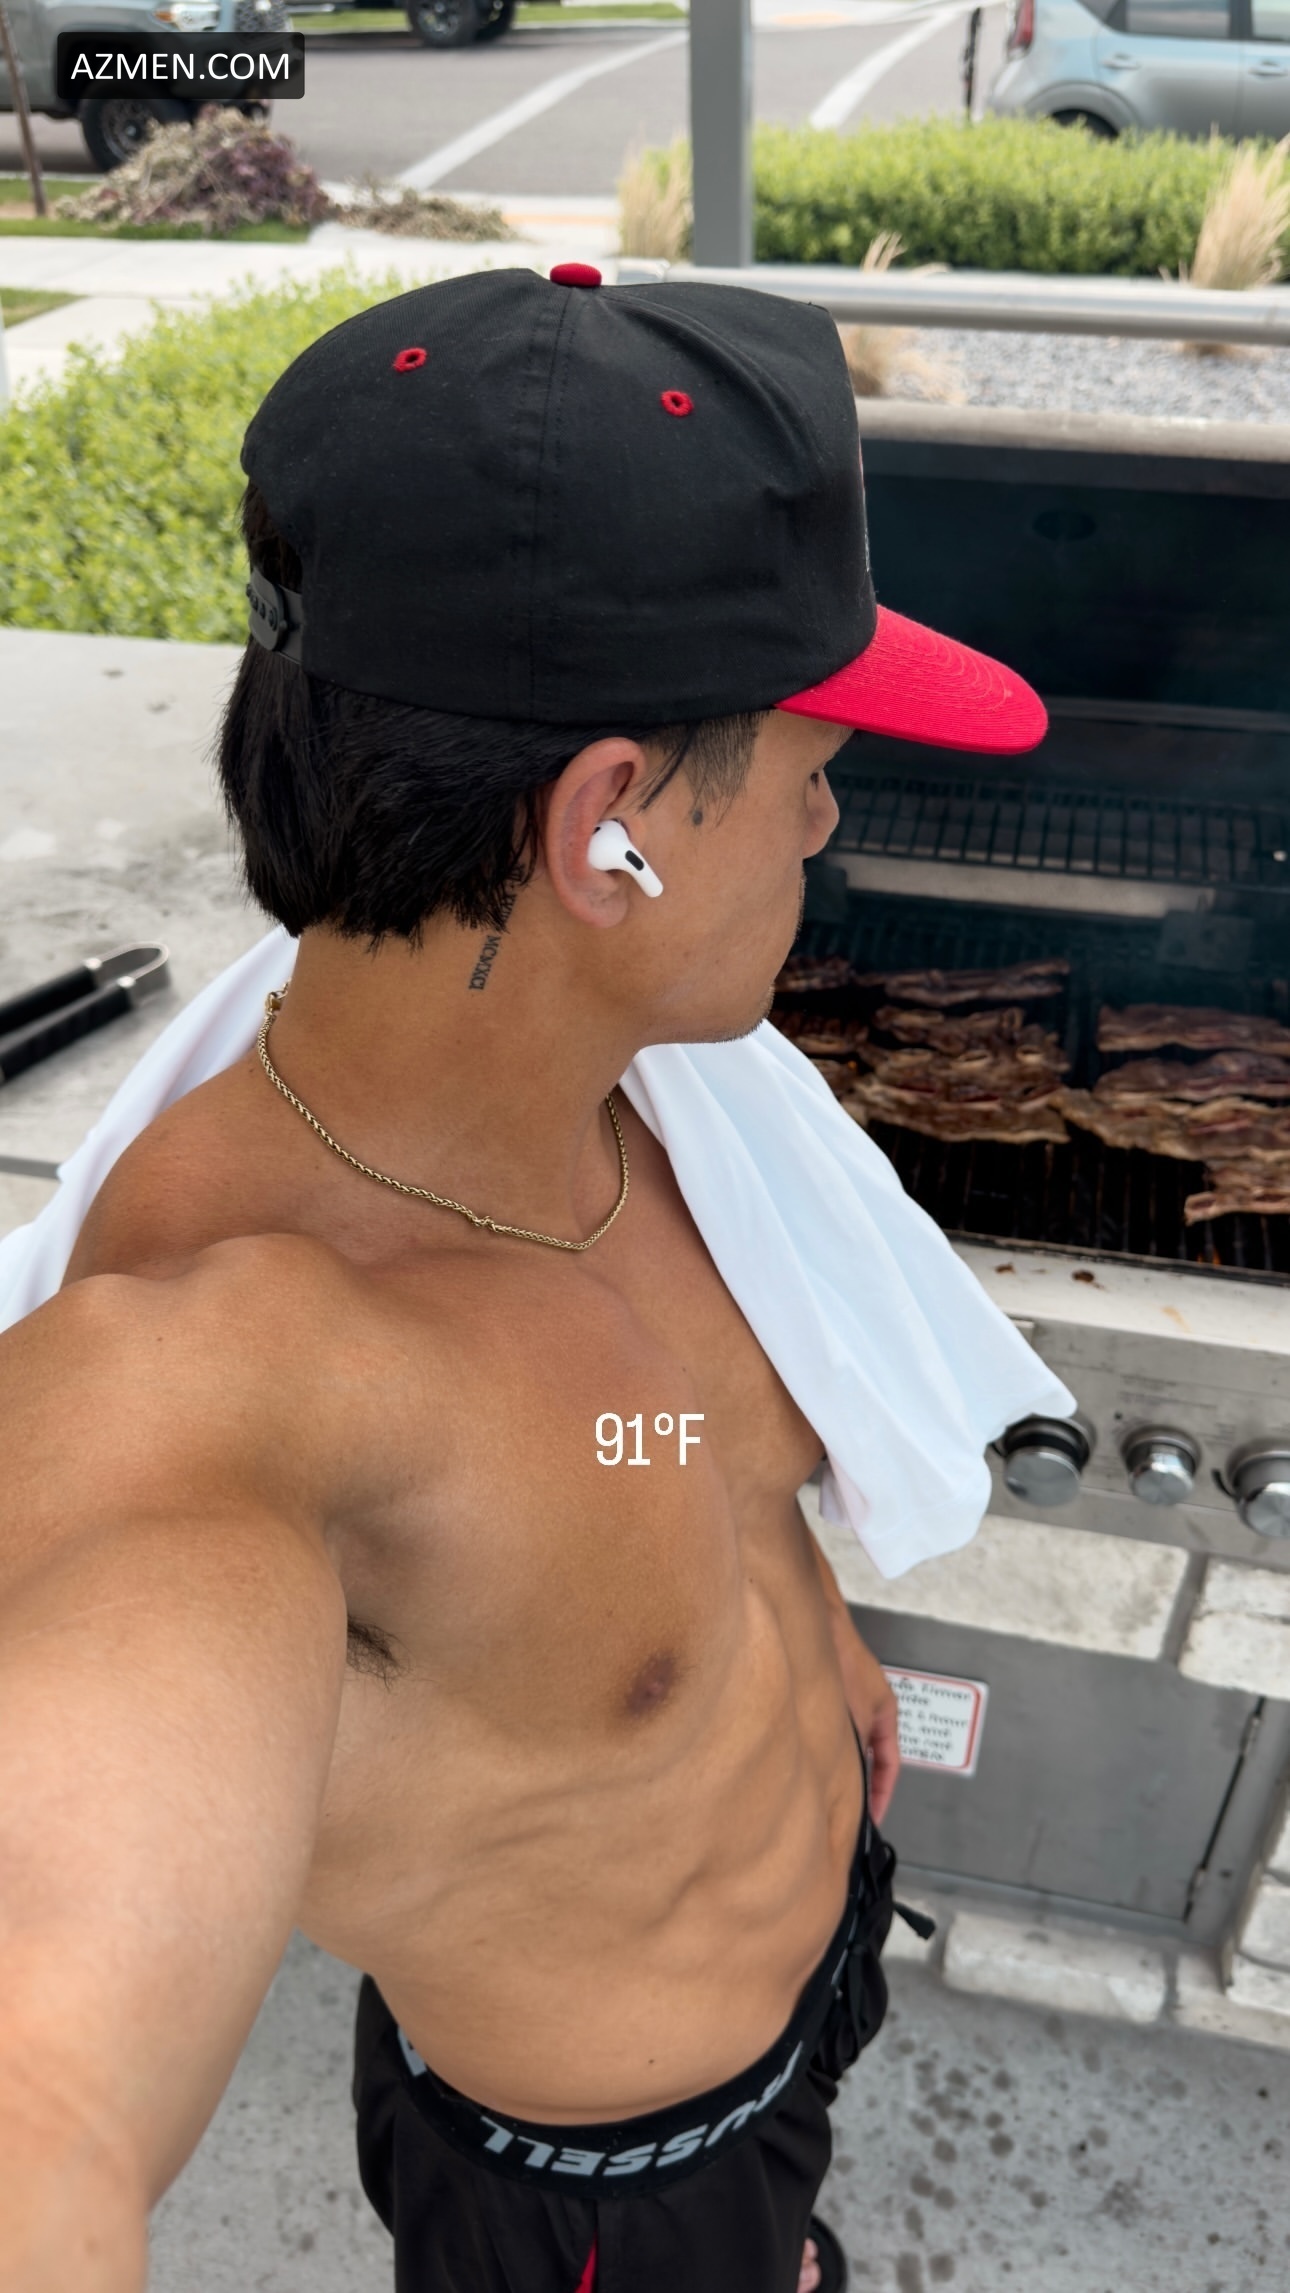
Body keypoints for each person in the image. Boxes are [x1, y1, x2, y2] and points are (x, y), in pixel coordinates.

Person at [0, 265, 1054, 2293]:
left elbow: (674, 1453)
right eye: (810, 766)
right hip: (601, 2198)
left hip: (799, 1984)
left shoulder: (624, 1080)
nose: (829, 818)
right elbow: (42, 2067)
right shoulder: (237, 1372)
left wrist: (808, 1638)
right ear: (610, 830)